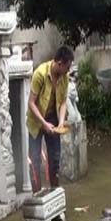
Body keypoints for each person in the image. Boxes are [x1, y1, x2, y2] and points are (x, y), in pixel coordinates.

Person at [27, 46, 74, 192]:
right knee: (35, 160)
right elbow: (31, 103)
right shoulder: (40, 74)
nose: (68, 70)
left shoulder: (64, 77)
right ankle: (37, 194)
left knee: (55, 158)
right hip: (36, 120)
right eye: (67, 67)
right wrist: (44, 123)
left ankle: (55, 192)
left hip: (53, 116)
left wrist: (60, 122)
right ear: (59, 63)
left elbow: (63, 101)